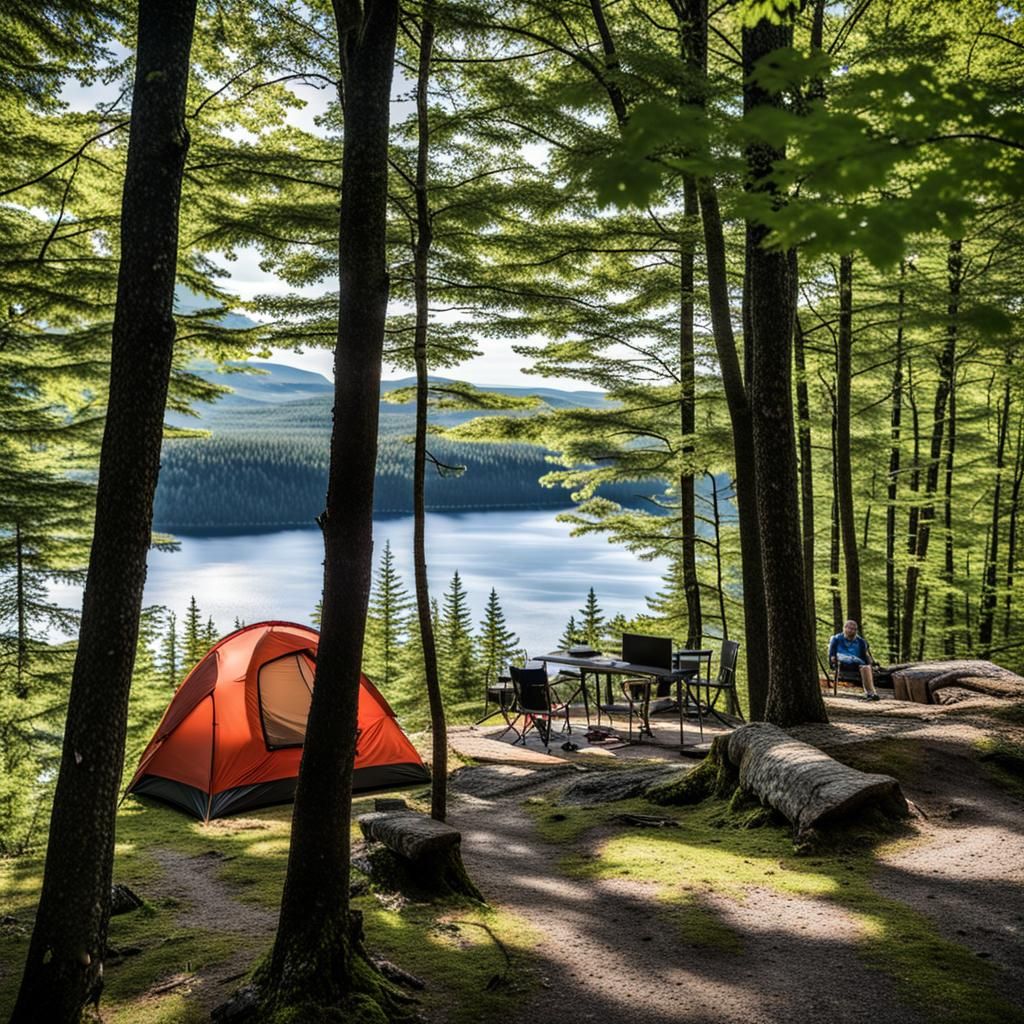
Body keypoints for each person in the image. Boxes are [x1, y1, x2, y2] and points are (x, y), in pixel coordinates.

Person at [828, 620, 879, 701]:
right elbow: (832, 656)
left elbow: (865, 658)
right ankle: (871, 693)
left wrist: (870, 664)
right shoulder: (836, 639)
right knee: (841, 656)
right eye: (850, 628)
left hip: (857, 665)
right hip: (842, 664)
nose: (852, 631)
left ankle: (871, 694)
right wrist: (834, 661)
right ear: (844, 628)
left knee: (865, 667)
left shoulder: (861, 642)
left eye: (854, 629)